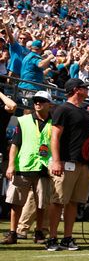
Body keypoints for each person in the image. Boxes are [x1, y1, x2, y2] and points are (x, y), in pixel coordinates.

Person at [47, 78, 89, 251]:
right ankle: (52, 237)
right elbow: (54, 136)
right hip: (65, 161)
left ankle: (67, 238)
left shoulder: (83, 112)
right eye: (84, 87)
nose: (87, 90)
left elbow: (86, 138)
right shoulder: (63, 109)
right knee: (58, 201)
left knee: (74, 202)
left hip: (83, 163)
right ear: (76, 90)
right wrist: (56, 160)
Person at [1, 91, 49, 245]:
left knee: (41, 203)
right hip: (24, 166)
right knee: (16, 203)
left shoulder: (54, 122)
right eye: (36, 101)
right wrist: (11, 165)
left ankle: (39, 232)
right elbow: (14, 145)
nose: (38, 103)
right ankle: (13, 233)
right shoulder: (23, 120)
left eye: (41, 101)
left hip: (44, 167)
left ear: (50, 104)